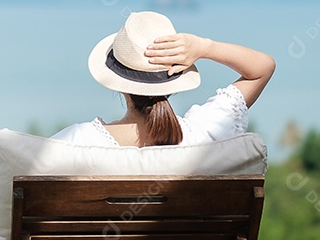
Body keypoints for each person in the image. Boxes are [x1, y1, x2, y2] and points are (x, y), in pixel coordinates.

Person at [50, 11, 275, 147]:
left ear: (120, 85)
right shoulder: (204, 134)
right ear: (174, 81)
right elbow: (262, 68)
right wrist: (204, 46)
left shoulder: (78, 142)